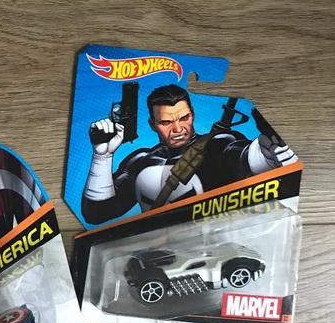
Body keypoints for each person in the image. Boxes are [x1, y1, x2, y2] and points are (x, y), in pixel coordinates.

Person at [82, 84, 297, 224]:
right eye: (166, 122)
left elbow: (243, 157)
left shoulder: (218, 146)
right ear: (152, 124)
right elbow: (97, 214)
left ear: (192, 114)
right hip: (151, 251)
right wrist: (102, 157)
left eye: (183, 118)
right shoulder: (140, 161)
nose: (178, 129)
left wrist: (270, 152)